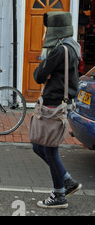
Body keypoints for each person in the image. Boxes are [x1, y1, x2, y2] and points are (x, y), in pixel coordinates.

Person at [32, 11, 82, 209]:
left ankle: (59, 194)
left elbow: (38, 75)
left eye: (49, 28)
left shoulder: (60, 50)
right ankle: (67, 181)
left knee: (49, 150)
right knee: (39, 146)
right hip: (59, 100)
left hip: (54, 103)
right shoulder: (73, 46)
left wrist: (45, 66)